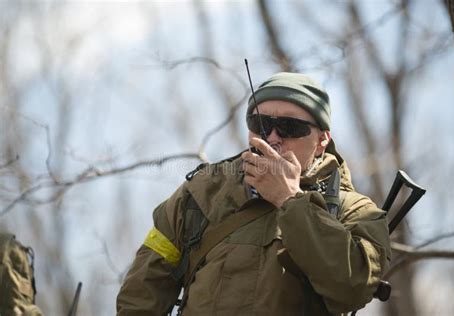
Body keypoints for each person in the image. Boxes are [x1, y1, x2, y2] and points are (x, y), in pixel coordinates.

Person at [116, 72, 391, 315]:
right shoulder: (200, 194)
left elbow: (353, 288)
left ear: (321, 142)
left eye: (290, 127)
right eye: (260, 123)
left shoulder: (354, 211)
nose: (272, 137)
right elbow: (141, 297)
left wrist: (290, 199)